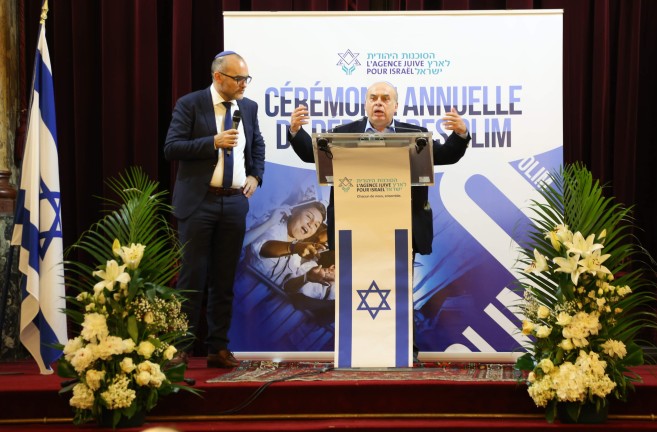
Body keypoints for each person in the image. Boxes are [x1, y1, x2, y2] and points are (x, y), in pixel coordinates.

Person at [286, 81, 470, 361]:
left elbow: (446, 155)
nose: (379, 103)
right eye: (373, 97)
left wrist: (460, 135)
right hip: (355, 228)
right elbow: (310, 155)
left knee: (399, 290)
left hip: (401, 229)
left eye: (386, 98)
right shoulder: (343, 134)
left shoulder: (415, 135)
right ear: (366, 103)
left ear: (396, 106)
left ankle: (405, 350)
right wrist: (296, 132)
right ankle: (359, 349)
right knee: (356, 290)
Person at [164, 50, 266, 368]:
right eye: (238, 79)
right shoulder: (190, 104)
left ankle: (217, 348)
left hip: (234, 203)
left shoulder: (248, 108)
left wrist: (255, 175)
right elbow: (172, 147)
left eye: (246, 78)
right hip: (199, 203)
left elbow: (258, 144)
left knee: (224, 279)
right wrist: (213, 142)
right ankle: (180, 348)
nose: (244, 85)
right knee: (192, 278)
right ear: (218, 77)